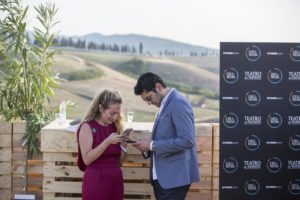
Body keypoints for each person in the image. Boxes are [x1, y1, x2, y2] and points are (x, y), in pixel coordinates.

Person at [132, 72, 200, 200]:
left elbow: (187, 140)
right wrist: (148, 145)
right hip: (164, 179)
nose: (149, 103)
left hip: (173, 180)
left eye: (149, 98)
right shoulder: (166, 103)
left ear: (158, 87)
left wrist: (152, 145)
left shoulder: (178, 103)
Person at [77, 89, 128, 200]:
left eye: (117, 113)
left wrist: (124, 146)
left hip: (115, 182)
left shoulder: (115, 127)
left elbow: (118, 162)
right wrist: (107, 141)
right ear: (101, 108)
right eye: (112, 113)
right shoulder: (87, 127)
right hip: (96, 181)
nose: (115, 117)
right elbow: (87, 159)